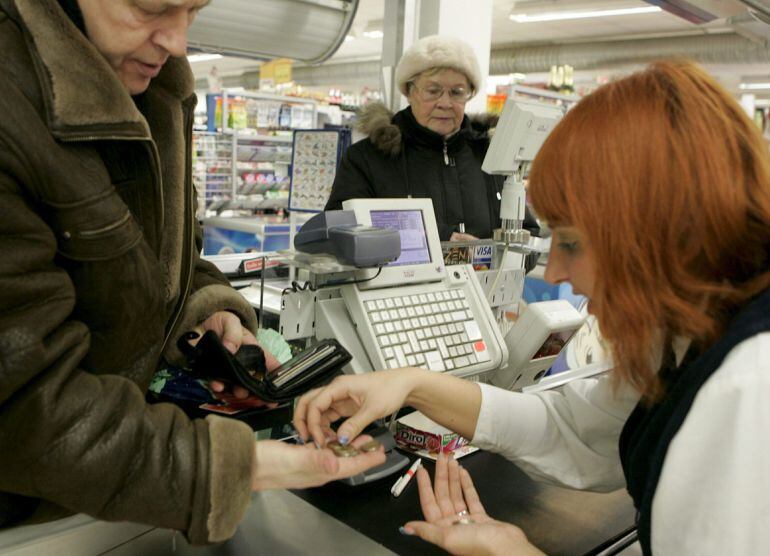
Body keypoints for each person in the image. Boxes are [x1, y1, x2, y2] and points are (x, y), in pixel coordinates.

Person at [295, 60, 770, 555]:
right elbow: (575, 429)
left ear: (653, 233)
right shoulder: (695, 334)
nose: (559, 274)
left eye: (569, 241)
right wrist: (412, 383)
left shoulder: (749, 386)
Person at [0, 0, 384, 545]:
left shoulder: (158, 93)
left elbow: (164, 251)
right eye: (152, 7)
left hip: (120, 477)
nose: (178, 42)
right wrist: (236, 467)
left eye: (194, 10)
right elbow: (22, 407)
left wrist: (211, 308)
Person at [324, 35, 539, 243]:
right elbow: (341, 231)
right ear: (409, 91)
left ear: (470, 95)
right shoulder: (367, 158)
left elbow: (529, 233)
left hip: (486, 280)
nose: (445, 103)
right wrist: (439, 242)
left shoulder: (491, 157)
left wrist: (503, 257)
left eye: (457, 92)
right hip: (399, 281)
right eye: (433, 91)